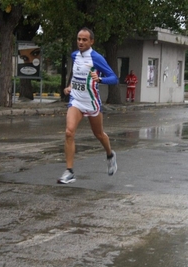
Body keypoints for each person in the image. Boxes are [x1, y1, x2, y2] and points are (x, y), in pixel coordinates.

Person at [58, 27, 118, 184]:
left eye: (84, 40)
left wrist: (100, 80)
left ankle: (110, 154)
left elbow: (114, 78)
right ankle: (69, 171)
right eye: (79, 39)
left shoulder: (96, 58)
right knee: (69, 132)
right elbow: (77, 75)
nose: (81, 42)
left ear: (91, 41)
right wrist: (71, 86)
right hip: (76, 101)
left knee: (99, 134)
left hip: (91, 102)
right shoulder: (74, 55)